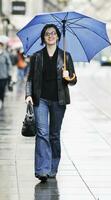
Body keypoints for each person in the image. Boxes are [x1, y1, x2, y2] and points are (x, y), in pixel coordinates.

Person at [25, 24, 77, 182]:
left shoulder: (66, 57)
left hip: (59, 100)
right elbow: (30, 79)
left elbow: (74, 80)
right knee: (42, 134)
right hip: (40, 99)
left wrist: (69, 77)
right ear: (43, 37)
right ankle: (42, 170)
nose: (50, 36)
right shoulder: (36, 56)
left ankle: (53, 167)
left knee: (54, 135)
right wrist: (28, 95)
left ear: (58, 37)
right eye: (47, 34)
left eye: (53, 33)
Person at [0, 42, 12, 109]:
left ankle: (1, 101)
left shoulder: (5, 55)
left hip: (3, 76)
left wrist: (9, 73)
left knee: (2, 89)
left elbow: (9, 64)